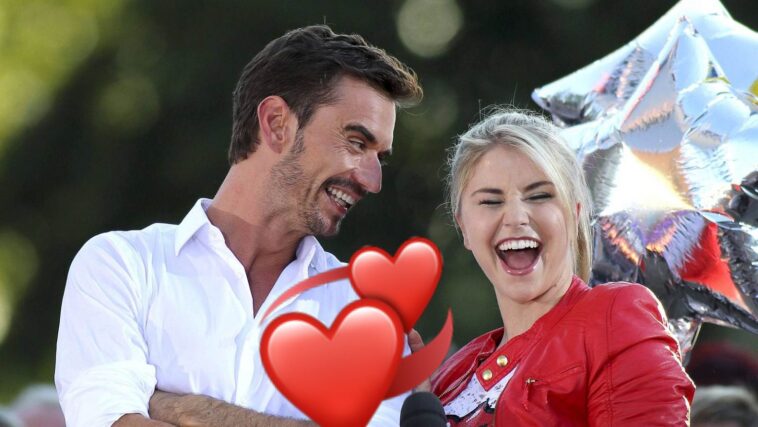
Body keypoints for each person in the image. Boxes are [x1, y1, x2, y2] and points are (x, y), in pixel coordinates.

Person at [55, 25, 422, 427]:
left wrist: (188, 409)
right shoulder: (121, 264)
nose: (373, 181)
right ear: (277, 123)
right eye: (356, 142)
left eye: (379, 158)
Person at [430, 109, 695, 425]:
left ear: (574, 213)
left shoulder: (614, 318)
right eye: (491, 201)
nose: (516, 217)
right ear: (463, 227)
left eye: (539, 196)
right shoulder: (450, 374)